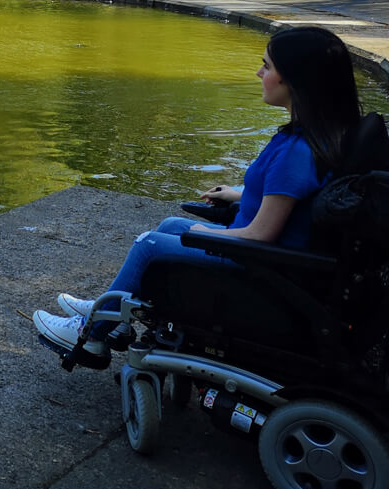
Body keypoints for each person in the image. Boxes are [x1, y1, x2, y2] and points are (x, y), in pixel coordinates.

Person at [33, 26, 362, 368]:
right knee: (172, 223)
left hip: (258, 264)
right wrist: (238, 195)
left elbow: (261, 234)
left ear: (293, 80)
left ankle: (92, 337)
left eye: (267, 66)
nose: (259, 73)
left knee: (151, 244)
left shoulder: (296, 152)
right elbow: (289, 198)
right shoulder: (320, 135)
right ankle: (111, 307)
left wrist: (202, 235)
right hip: (269, 258)